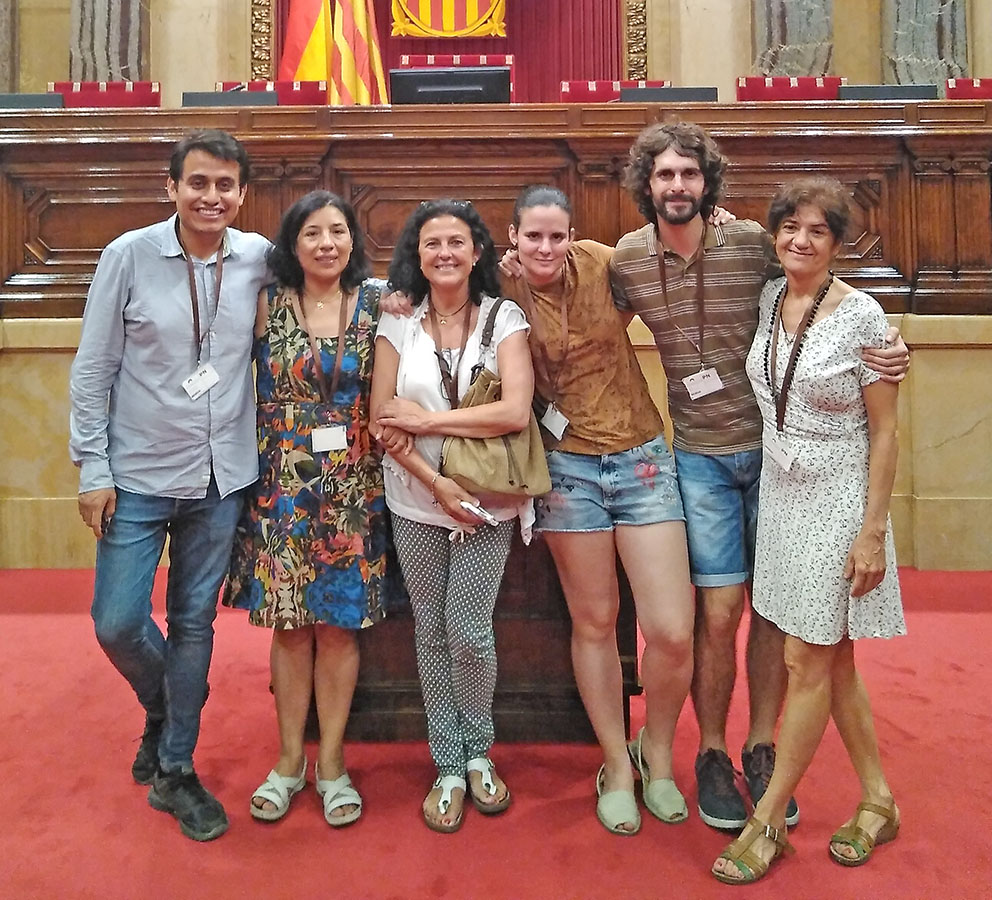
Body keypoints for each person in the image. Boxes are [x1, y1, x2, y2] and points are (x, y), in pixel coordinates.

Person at [610, 121, 910, 831]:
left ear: (707, 182)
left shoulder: (751, 243)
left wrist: (887, 348)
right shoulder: (624, 258)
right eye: (664, 176)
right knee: (718, 612)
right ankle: (711, 751)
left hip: (775, 460)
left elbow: (823, 296)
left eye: (689, 174)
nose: (677, 186)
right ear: (646, 186)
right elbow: (582, 312)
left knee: (774, 615)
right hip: (701, 460)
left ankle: (762, 743)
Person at [69, 129, 271, 841]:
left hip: (222, 478)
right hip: (139, 473)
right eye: (198, 183)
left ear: (242, 194)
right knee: (117, 622)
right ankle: (168, 704)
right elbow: (93, 370)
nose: (211, 197)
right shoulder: (128, 256)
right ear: (172, 188)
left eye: (225, 186)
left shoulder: (258, 261)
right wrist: (92, 468)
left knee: (194, 624)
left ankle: (176, 767)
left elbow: (329, 283)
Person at [711, 176, 904, 884]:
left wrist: (873, 531)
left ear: (837, 242)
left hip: (841, 499)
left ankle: (766, 822)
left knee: (805, 662)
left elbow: (885, 434)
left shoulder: (864, 318)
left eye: (816, 231)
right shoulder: (770, 296)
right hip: (784, 497)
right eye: (789, 227)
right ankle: (878, 800)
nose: (800, 240)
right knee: (836, 661)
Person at [501, 186, 693, 835]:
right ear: (515, 237)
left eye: (557, 236)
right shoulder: (502, 290)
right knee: (596, 621)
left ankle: (656, 754)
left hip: (640, 455)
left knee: (670, 628)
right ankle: (615, 762)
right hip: (566, 469)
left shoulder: (608, 264)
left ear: (573, 234)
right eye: (534, 237)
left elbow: (677, 271)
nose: (546, 248)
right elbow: (427, 283)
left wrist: (712, 218)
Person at [224, 191, 405, 828]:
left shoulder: (383, 302)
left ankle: (331, 764)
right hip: (283, 491)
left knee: (339, 625)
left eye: (338, 231)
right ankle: (286, 760)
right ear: (292, 245)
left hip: (354, 490)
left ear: (354, 239)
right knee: (290, 626)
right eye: (312, 234)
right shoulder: (264, 304)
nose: (326, 244)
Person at [370, 199, 534, 834]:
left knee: (469, 630)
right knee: (431, 631)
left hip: (488, 500)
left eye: (457, 242)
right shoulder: (397, 322)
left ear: (477, 253)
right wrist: (435, 481)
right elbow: (384, 417)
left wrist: (430, 422)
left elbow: (514, 411)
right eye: (432, 242)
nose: (444, 252)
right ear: (417, 253)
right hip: (417, 498)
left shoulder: (504, 316)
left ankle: (479, 750)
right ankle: (448, 762)